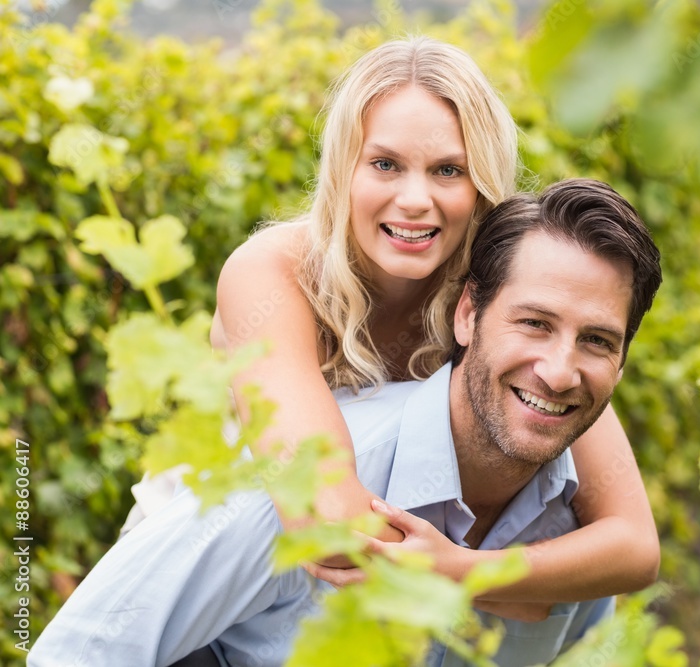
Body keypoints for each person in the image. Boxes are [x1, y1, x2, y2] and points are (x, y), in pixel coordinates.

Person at [122, 37, 659, 618]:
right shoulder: (272, 273)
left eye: (448, 170)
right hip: (191, 582)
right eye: (385, 164)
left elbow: (633, 544)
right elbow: (327, 519)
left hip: (324, 612)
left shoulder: (500, 295)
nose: (414, 199)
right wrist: (529, 588)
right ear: (343, 169)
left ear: (481, 182)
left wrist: (465, 572)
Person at [29, 178, 663, 667]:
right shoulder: (286, 492)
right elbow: (80, 650)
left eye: (598, 342)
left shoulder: (574, 542)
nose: (558, 370)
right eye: (534, 322)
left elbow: (633, 554)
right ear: (467, 315)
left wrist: (463, 575)